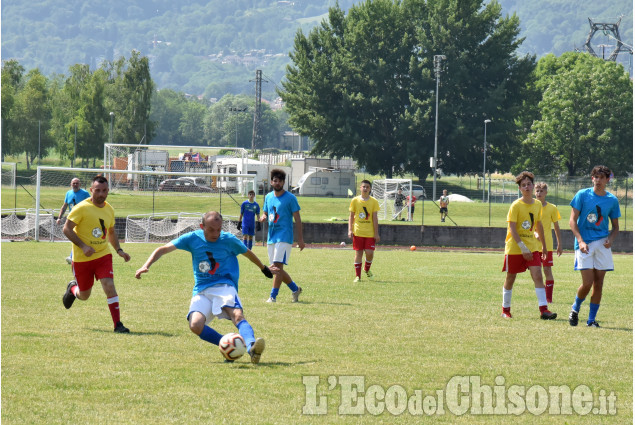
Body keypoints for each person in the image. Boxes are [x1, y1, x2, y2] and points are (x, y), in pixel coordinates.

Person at [135, 211, 274, 364]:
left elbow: (247, 253)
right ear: (202, 226)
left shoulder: (228, 240)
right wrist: (145, 266)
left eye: (219, 229)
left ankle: (251, 348)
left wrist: (263, 268)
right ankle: (229, 345)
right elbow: (163, 249)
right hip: (202, 290)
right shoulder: (192, 238)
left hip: (225, 286)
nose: (216, 233)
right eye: (211, 229)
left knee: (237, 315)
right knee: (195, 325)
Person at [62, 175, 131, 333]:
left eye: (104, 191)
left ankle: (118, 324)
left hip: (103, 255)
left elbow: (111, 232)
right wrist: (83, 246)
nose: (101, 194)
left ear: (108, 191)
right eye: (97, 191)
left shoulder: (109, 209)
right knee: (84, 295)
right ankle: (73, 288)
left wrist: (119, 250)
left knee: (109, 286)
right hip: (82, 259)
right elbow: (66, 229)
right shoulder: (81, 208)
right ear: (91, 190)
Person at [567, 165, 620, 328]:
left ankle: (591, 320)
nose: (598, 180)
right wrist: (581, 241)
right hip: (585, 244)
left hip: (602, 245)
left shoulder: (612, 200)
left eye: (601, 177)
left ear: (607, 180)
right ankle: (575, 308)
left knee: (599, 284)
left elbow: (616, 227)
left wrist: (610, 239)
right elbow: (572, 221)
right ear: (592, 179)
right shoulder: (582, 195)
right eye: (595, 177)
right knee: (588, 283)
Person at [500, 171, 556, 320]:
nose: (527, 187)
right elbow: (512, 229)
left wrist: (544, 246)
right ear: (520, 189)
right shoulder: (516, 205)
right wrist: (523, 248)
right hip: (515, 247)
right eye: (523, 185)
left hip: (532, 246)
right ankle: (505, 310)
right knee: (511, 277)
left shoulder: (537, 204)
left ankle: (544, 310)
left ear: (532, 185)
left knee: (537, 275)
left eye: (529, 184)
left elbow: (539, 226)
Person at [259, 169, 304, 303]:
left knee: (277, 267)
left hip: (284, 236)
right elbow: (266, 213)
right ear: (272, 182)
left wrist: (300, 239)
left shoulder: (290, 198)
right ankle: (295, 289)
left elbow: (298, 219)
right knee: (275, 269)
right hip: (271, 236)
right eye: (275, 180)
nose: (277, 183)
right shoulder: (268, 197)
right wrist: (263, 217)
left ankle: (273, 296)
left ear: (283, 182)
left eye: (280, 181)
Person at [534, 182, 562, 303]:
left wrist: (559, 244)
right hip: (533, 245)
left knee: (547, 270)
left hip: (548, 245)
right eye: (537, 191)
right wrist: (534, 234)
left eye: (541, 191)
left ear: (546, 193)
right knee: (536, 271)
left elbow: (556, 227)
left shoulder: (552, 208)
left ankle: (548, 298)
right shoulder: (531, 206)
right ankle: (542, 295)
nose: (539, 193)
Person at [348, 180, 380, 282]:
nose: (365, 188)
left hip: (370, 233)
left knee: (370, 253)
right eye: (363, 187)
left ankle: (366, 269)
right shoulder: (355, 200)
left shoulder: (374, 201)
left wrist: (376, 233)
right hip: (358, 232)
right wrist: (350, 230)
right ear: (360, 188)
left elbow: (375, 218)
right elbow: (351, 216)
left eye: (367, 187)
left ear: (370, 189)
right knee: (359, 254)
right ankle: (358, 276)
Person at [57, 178, 90, 264]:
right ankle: (74, 256)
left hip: (83, 219)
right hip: (72, 220)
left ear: (80, 184)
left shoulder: (85, 194)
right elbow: (64, 206)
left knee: (78, 237)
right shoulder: (68, 193)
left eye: (77, 183)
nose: (75, 185)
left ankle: (72, 257)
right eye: (74, 183)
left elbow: (91, 204)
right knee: (75, 237)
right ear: (71, 184)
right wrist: (59, 217)